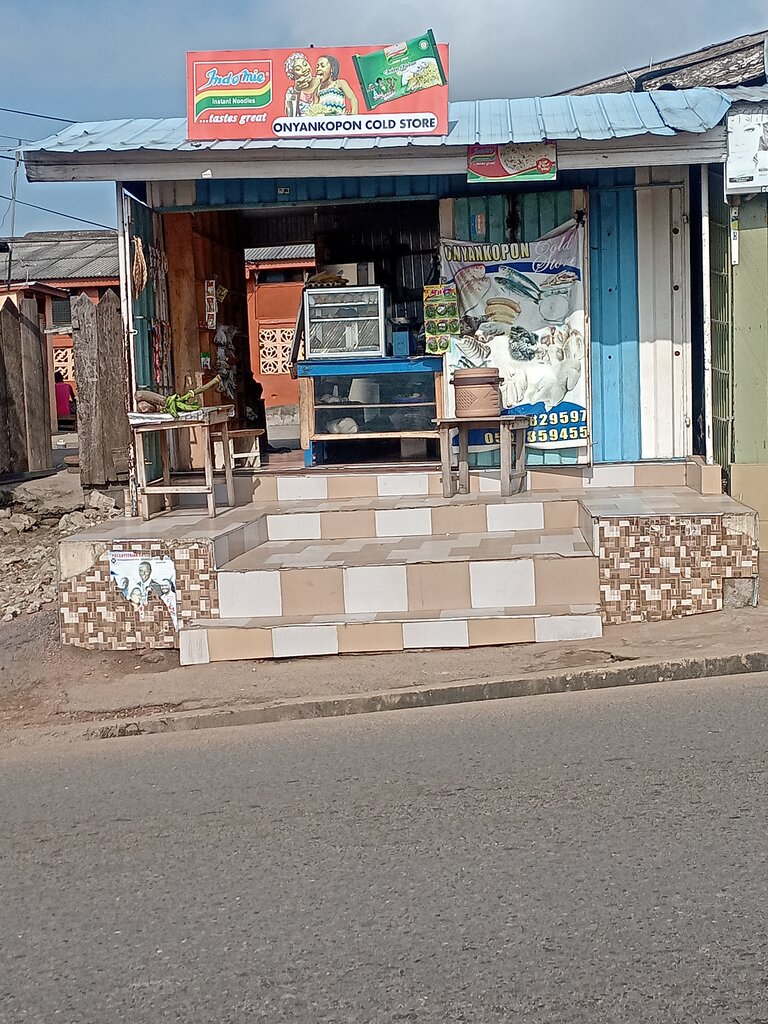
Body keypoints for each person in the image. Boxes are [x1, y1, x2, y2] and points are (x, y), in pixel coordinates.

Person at [284, 52, 316, 117]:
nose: (304, 69)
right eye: (298, 69)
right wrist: (296, 91)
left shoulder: (322, 83)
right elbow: (290, 116)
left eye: (305, 64)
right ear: (293, 74)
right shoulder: (291, 92)